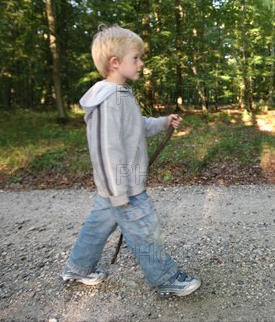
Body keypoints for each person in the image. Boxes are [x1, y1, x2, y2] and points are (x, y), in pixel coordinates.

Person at [60, 24, 201, 298]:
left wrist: (163, 122)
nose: (141, 63)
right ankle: (166, 277)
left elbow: (136, 126)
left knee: (97, 226)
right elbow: (105, 149)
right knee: (145, 230)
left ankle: (78, 268)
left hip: (116, 187)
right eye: (135, 58)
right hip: (123, 186)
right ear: (115, 63)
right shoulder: (108, 100)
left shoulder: (121, 94)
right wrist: (118, 192)